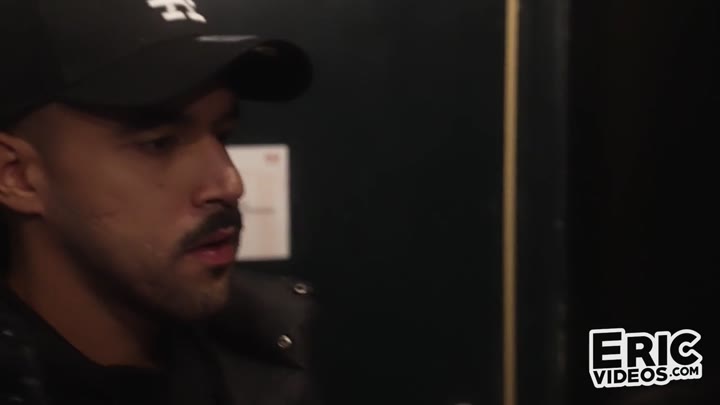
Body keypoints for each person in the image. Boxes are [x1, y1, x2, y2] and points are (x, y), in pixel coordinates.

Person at [0, 0, 319, 404]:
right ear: (17, 176)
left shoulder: (261, 363)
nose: (230, 184)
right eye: (159, 144)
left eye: (223, 135)